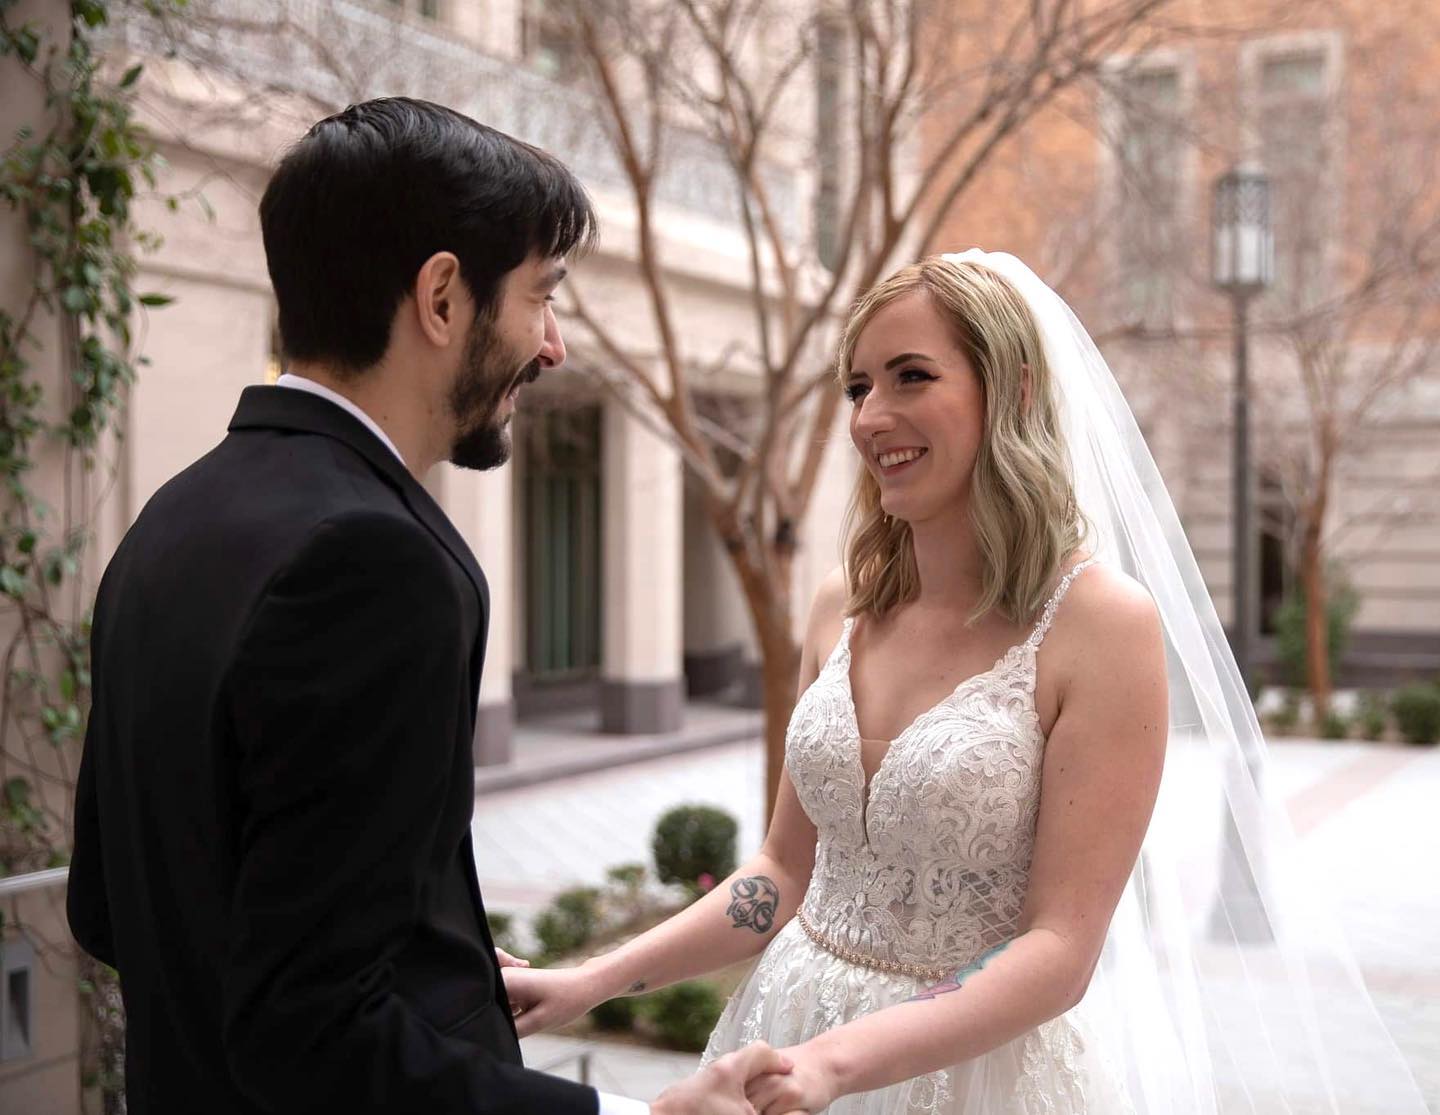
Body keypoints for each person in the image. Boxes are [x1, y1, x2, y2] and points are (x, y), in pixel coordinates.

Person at [504, 252, 1432, 1114]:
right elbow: (784, 872)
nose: (871, 416)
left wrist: (837, 1062)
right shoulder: (842, 605)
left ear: (1012, 389)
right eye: (859, 386)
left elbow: (1060, 949)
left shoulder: (1101, 627)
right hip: (777, 1039)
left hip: (967, 1079)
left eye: (913, 375)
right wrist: (588, 979)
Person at [66, 97, 791, 1115]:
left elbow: (108, 907)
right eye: (543, 297)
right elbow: (313, 1031)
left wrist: (424, 951)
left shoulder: (167, 523)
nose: (555, 347)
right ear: (443, 296)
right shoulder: (376, 562)